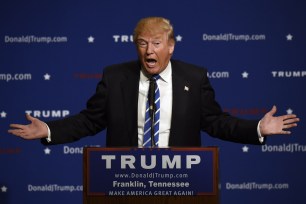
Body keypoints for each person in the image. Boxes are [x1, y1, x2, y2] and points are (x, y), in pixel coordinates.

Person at [8, 17, 299, 147]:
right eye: (142, 43)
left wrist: (257, 129)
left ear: (170, 46)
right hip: (125, 181)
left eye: (156, 43)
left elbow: (215, 122)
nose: (149, 50)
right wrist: (47, 129)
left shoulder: (194, 78)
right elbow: (88, 121)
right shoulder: (115, 77)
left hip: (180, 181)